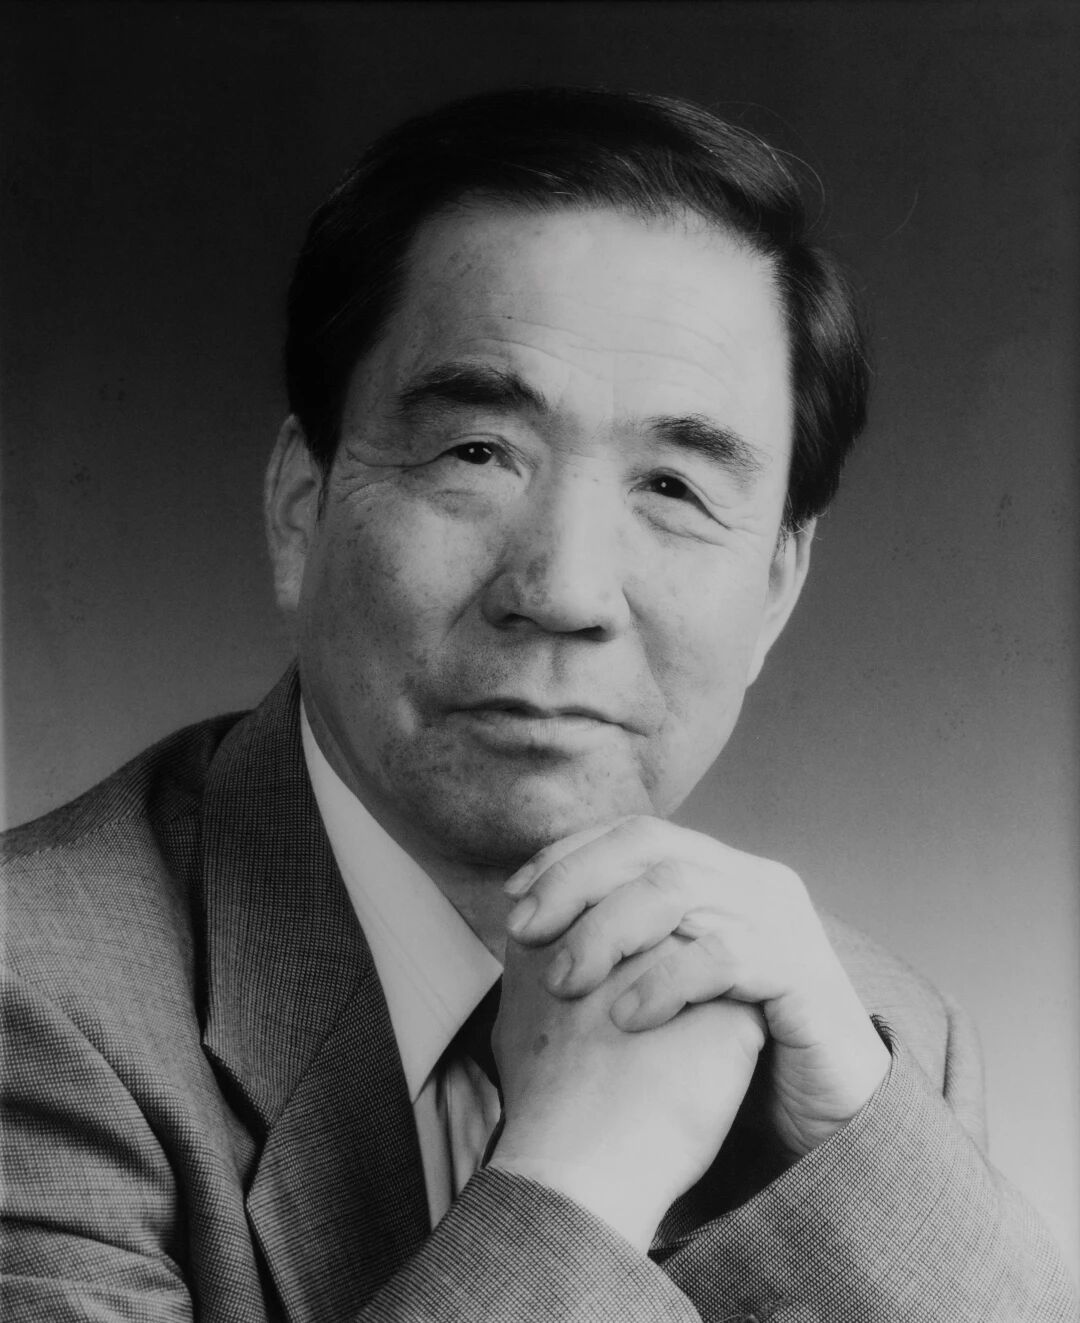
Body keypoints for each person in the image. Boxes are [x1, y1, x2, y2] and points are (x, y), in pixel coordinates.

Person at [1, 87, 1075, 1323]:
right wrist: (582, 1181)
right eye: (477, 453)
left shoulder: (879, 1044)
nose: (563, 591)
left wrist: (853, 1167)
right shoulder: (34, 1003)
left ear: (778, 588)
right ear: (303, 506)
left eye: (673, 486)